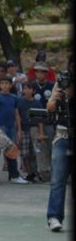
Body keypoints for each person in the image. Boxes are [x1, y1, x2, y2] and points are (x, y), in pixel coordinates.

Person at [45, 61, 72, 231]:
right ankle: (54, 216)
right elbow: (49, 107)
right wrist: (55, 98)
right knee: (57, 180)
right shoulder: (62, 82)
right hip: (63, 135)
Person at [0, 76, 29, 184]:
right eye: (2, 83)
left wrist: (19, 130)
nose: (5, 85)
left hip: (11, 126)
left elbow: (16, 114)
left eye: (7, 83)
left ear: (11, 85)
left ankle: (14, 175)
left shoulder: (14, 97)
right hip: (0, 127)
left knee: (12, 151)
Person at [18, 82, 46, 182]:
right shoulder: (20, 102)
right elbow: (18, 117)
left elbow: (40, 119)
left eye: (29, 89)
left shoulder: (37, 103)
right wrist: (19, 130)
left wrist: (41, 132)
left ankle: (38, 172)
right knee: (25, 153)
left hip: (34, 129)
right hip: (24, 129)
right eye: (25, 88)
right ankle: (29, 173)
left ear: (33, 91)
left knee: (36, 152)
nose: (27, 90)